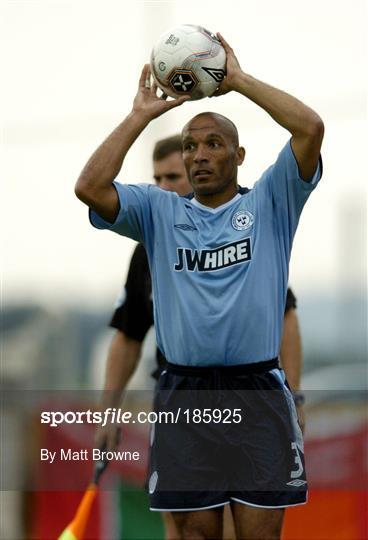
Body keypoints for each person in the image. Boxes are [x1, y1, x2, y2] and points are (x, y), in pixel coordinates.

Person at [76, 32, 323, 540]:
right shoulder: (159, 212)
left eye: (214, 144)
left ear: (239, 154)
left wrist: (238, 81)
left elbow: (310, 127)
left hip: (257, 395)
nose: (200, 154)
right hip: (182, 396)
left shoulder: (271, 203)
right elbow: (90, 187)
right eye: (190, 145)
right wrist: (140, 116)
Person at [95, 135, 305, 540]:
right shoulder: (150, 243)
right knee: (179, 529)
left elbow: (287, 319)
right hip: (182, 405)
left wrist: (294, 395)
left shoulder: (252, 224)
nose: (164, 187)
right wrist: (109, 409)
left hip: (253, 403)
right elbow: (128, 337)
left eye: (172, 176)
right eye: (157, 178)